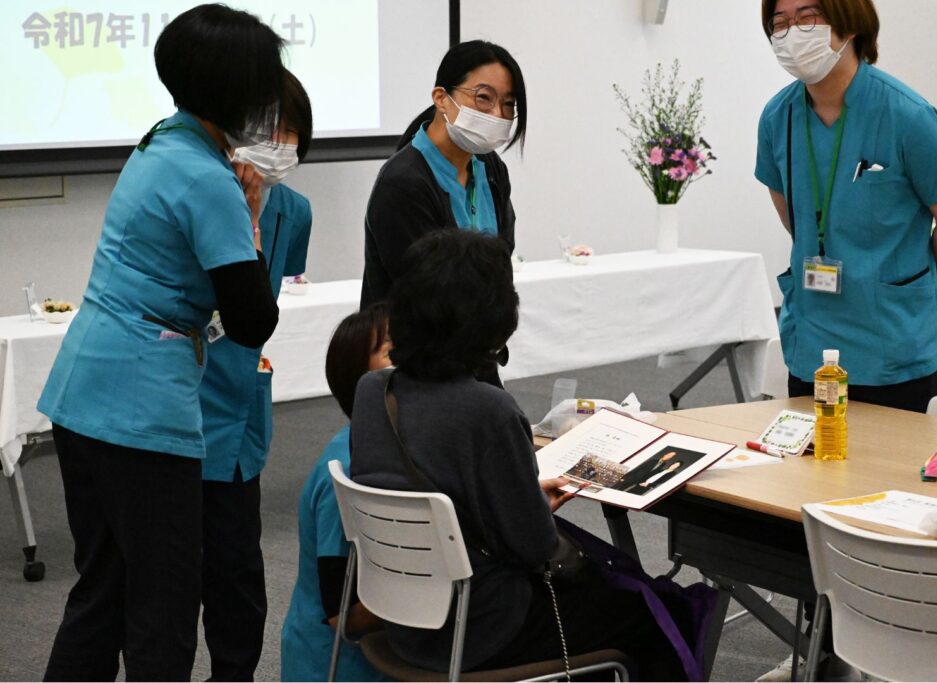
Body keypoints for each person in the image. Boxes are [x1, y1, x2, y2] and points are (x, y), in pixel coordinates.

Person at [35, 5, 284, 680]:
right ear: (234, 87)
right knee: (163, 608)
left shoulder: (160, 141)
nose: (270, 100)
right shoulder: (208, 178)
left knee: (103, 592)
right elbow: (253, 319)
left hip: (83, 392)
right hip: (141, 411)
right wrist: (252, 217)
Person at [349, 230, 702, 680]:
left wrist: (522, 500)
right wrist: (530, 507)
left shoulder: (373, 392)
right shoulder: (489, 410)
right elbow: (534, 547)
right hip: (483, 626)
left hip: (406, 621)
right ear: (493, 318)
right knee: (657, 612)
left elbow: (432, 490)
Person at [755, 0, 937, 414]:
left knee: (892, 456)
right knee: (814, 452)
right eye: (779, 23)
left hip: (891, 343)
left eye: (807, 17)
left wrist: (916, 281)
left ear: (850, 23)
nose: (791, 32)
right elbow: (793, 216)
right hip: (812, 337)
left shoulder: (907, 115)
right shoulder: (777, 118)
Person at [197, 68, 313, 681]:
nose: (278, 145)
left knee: (238, 566)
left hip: (241, 398)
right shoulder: (201, 187)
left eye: (290, 133)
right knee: (168, 569)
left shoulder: (295, 210)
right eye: (266, 130)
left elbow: (265, 302)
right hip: (183, 390)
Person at [360, 39, 525, 309]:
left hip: (481, 332)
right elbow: (423, 291)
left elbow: (502, 262)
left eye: (508, 104)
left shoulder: (491, 168)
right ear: (441, 98)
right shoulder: (402, 183)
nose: (497, 114)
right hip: (414, 334)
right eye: (484, 98)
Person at [280, 304, 391, 682]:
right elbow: (339, 615)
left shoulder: (385, 450)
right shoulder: (344, 471)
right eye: (391, 352)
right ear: (361, 380)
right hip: (333, 666)